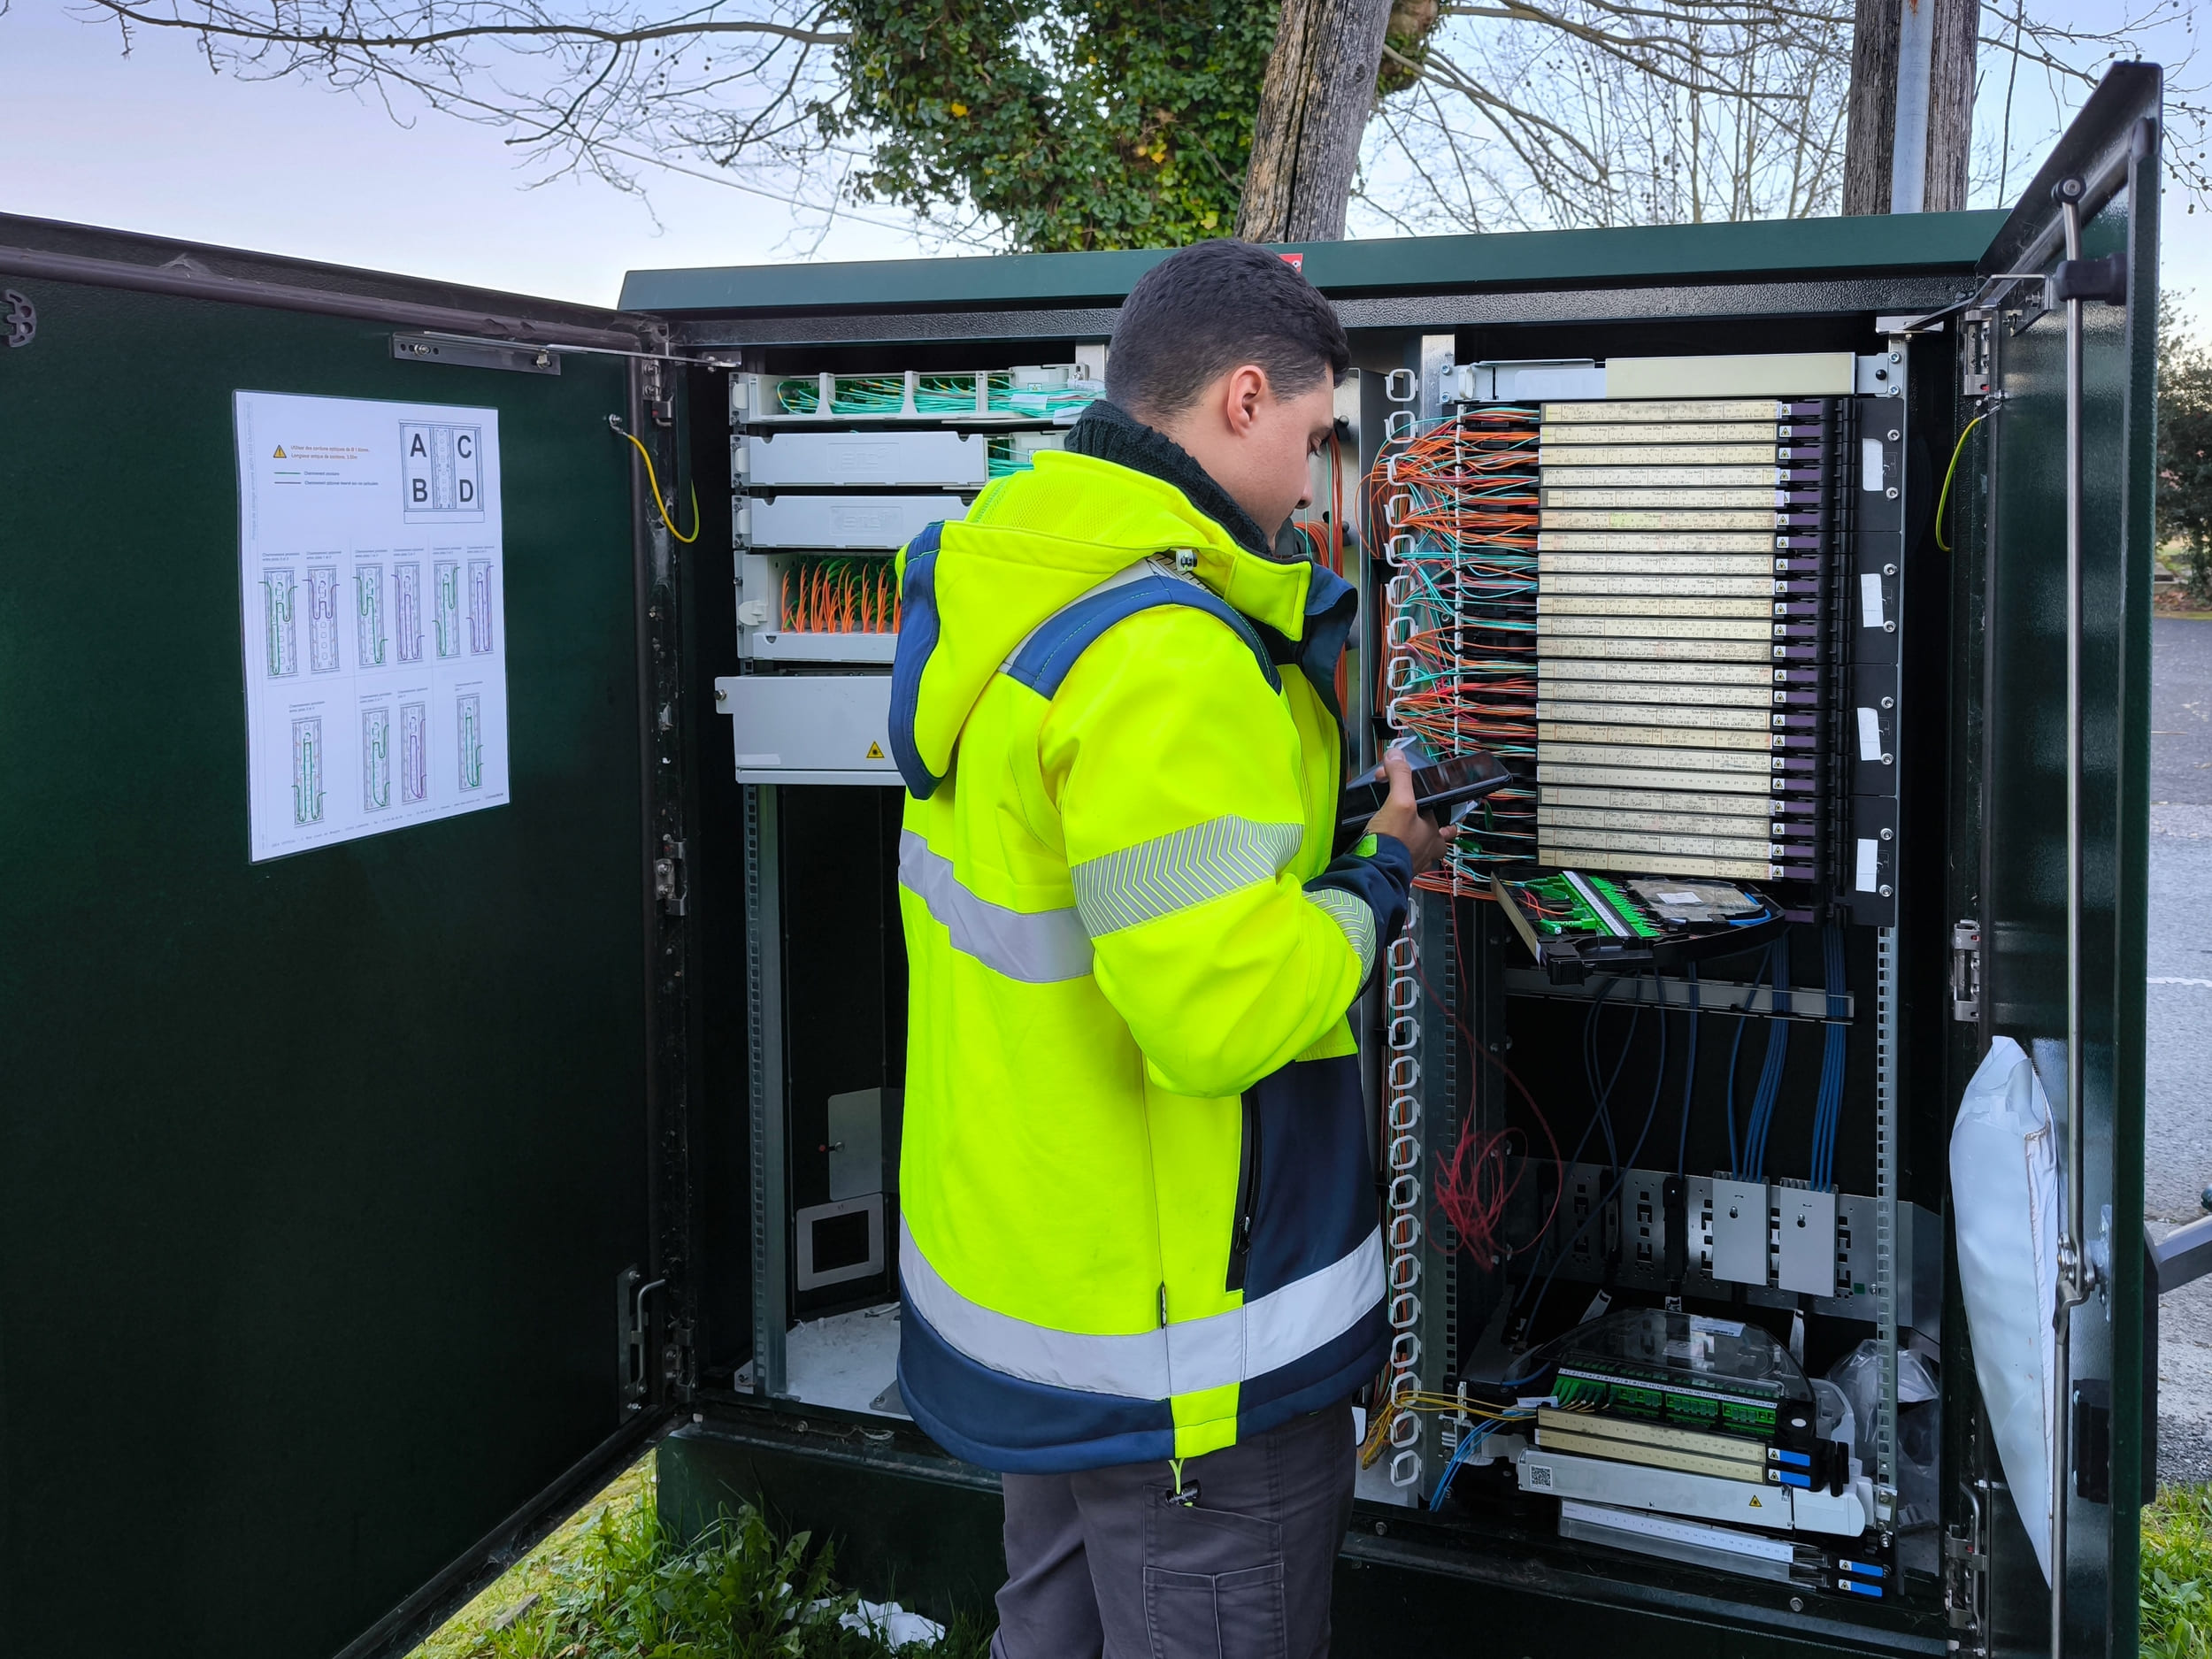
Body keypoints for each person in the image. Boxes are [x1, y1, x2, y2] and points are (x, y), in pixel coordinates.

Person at [886, 238, 1454, 1659]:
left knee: (1055, 1630)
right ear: (1244, 401)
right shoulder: (1168, 650)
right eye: (1320, 438)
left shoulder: (1021, 582)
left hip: (1051, 1300)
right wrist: (1380, 874)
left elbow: (1115, 894)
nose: (1321, 479)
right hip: (1186, 1358)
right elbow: (1221, 1013)